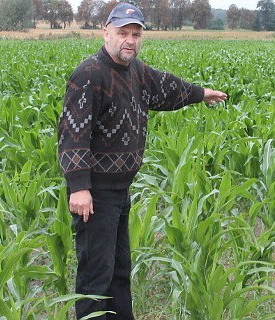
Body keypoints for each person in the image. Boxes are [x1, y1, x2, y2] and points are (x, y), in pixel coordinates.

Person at [57, 3, 227, 319]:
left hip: (120, 192)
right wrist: (79, 187)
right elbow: (72, 135)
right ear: (106, 32)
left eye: (136, 34)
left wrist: (201, 93)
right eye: (123, 33)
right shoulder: (89, 75)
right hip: (95, 195)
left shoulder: (136, 71)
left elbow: (166, 87)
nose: (130, 40)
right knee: (96, 278)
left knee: (119, 272)